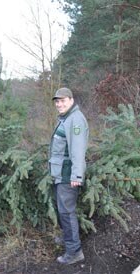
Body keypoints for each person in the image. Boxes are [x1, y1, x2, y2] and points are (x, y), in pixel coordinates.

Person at [49, 87, 89, 265]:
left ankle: (74, 252)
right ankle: (68, 240)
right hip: (61, 174)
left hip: (68, 175)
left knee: (67, 212)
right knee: (63, 211)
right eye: (57, 101)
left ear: (71, 100)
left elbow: (77, 151)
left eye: (63, 100)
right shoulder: (66, 118)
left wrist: (76, 176)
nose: (59, 104)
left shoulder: (75, 120)